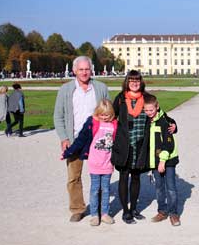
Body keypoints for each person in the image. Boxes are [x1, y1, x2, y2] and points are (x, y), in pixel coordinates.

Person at [110, 70, 177, 224]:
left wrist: (174, 125)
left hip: (141, 144)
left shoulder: (146, 98)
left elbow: (162, 116)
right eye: (131, 80)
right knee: (123, 177)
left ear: (141, 82)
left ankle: (134, 208)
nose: (134, 83)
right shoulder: (121, 98)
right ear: (127, 82)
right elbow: (111, 117)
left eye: (137, 80)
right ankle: (126, 212)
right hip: (124, 143)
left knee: (135, 177)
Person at [54, 56, 109, 222]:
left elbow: (109, 112)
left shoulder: (100, 88)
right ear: (74, 71)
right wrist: (64, 138)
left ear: (91, 70)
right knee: (73, 177)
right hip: (74, 139)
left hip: (97, 140)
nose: (84, 72)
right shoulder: (65, 90)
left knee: (99, 176)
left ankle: (100, 208)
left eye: (87, 69)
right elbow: (58, 116)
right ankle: (77, 208)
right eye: (81, 69)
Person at [61, 99, 117, 226]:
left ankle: (104, 213)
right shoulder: (92, 123)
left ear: (111, 114)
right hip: (95, 163)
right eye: (102, 115)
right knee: (95, 189)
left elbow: (119, 142)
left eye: (107, 115)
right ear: (97, 113)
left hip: (107, 163)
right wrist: (68, 152)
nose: (104, 117)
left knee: (106, 189)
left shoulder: (114, 125)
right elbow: (81, 139)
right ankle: (94, 215)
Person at [143, 94, 181, 226]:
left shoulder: (165, 121)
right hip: (154, 160)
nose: (148, 113)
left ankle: (174, 213)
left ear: (157, 107)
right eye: (146, 110)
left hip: (167, 160)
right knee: (159, 187)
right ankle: (162, 211)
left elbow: (168, 143)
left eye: (151, 110)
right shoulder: (146, 120)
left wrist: (163, 161)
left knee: (170, 187)